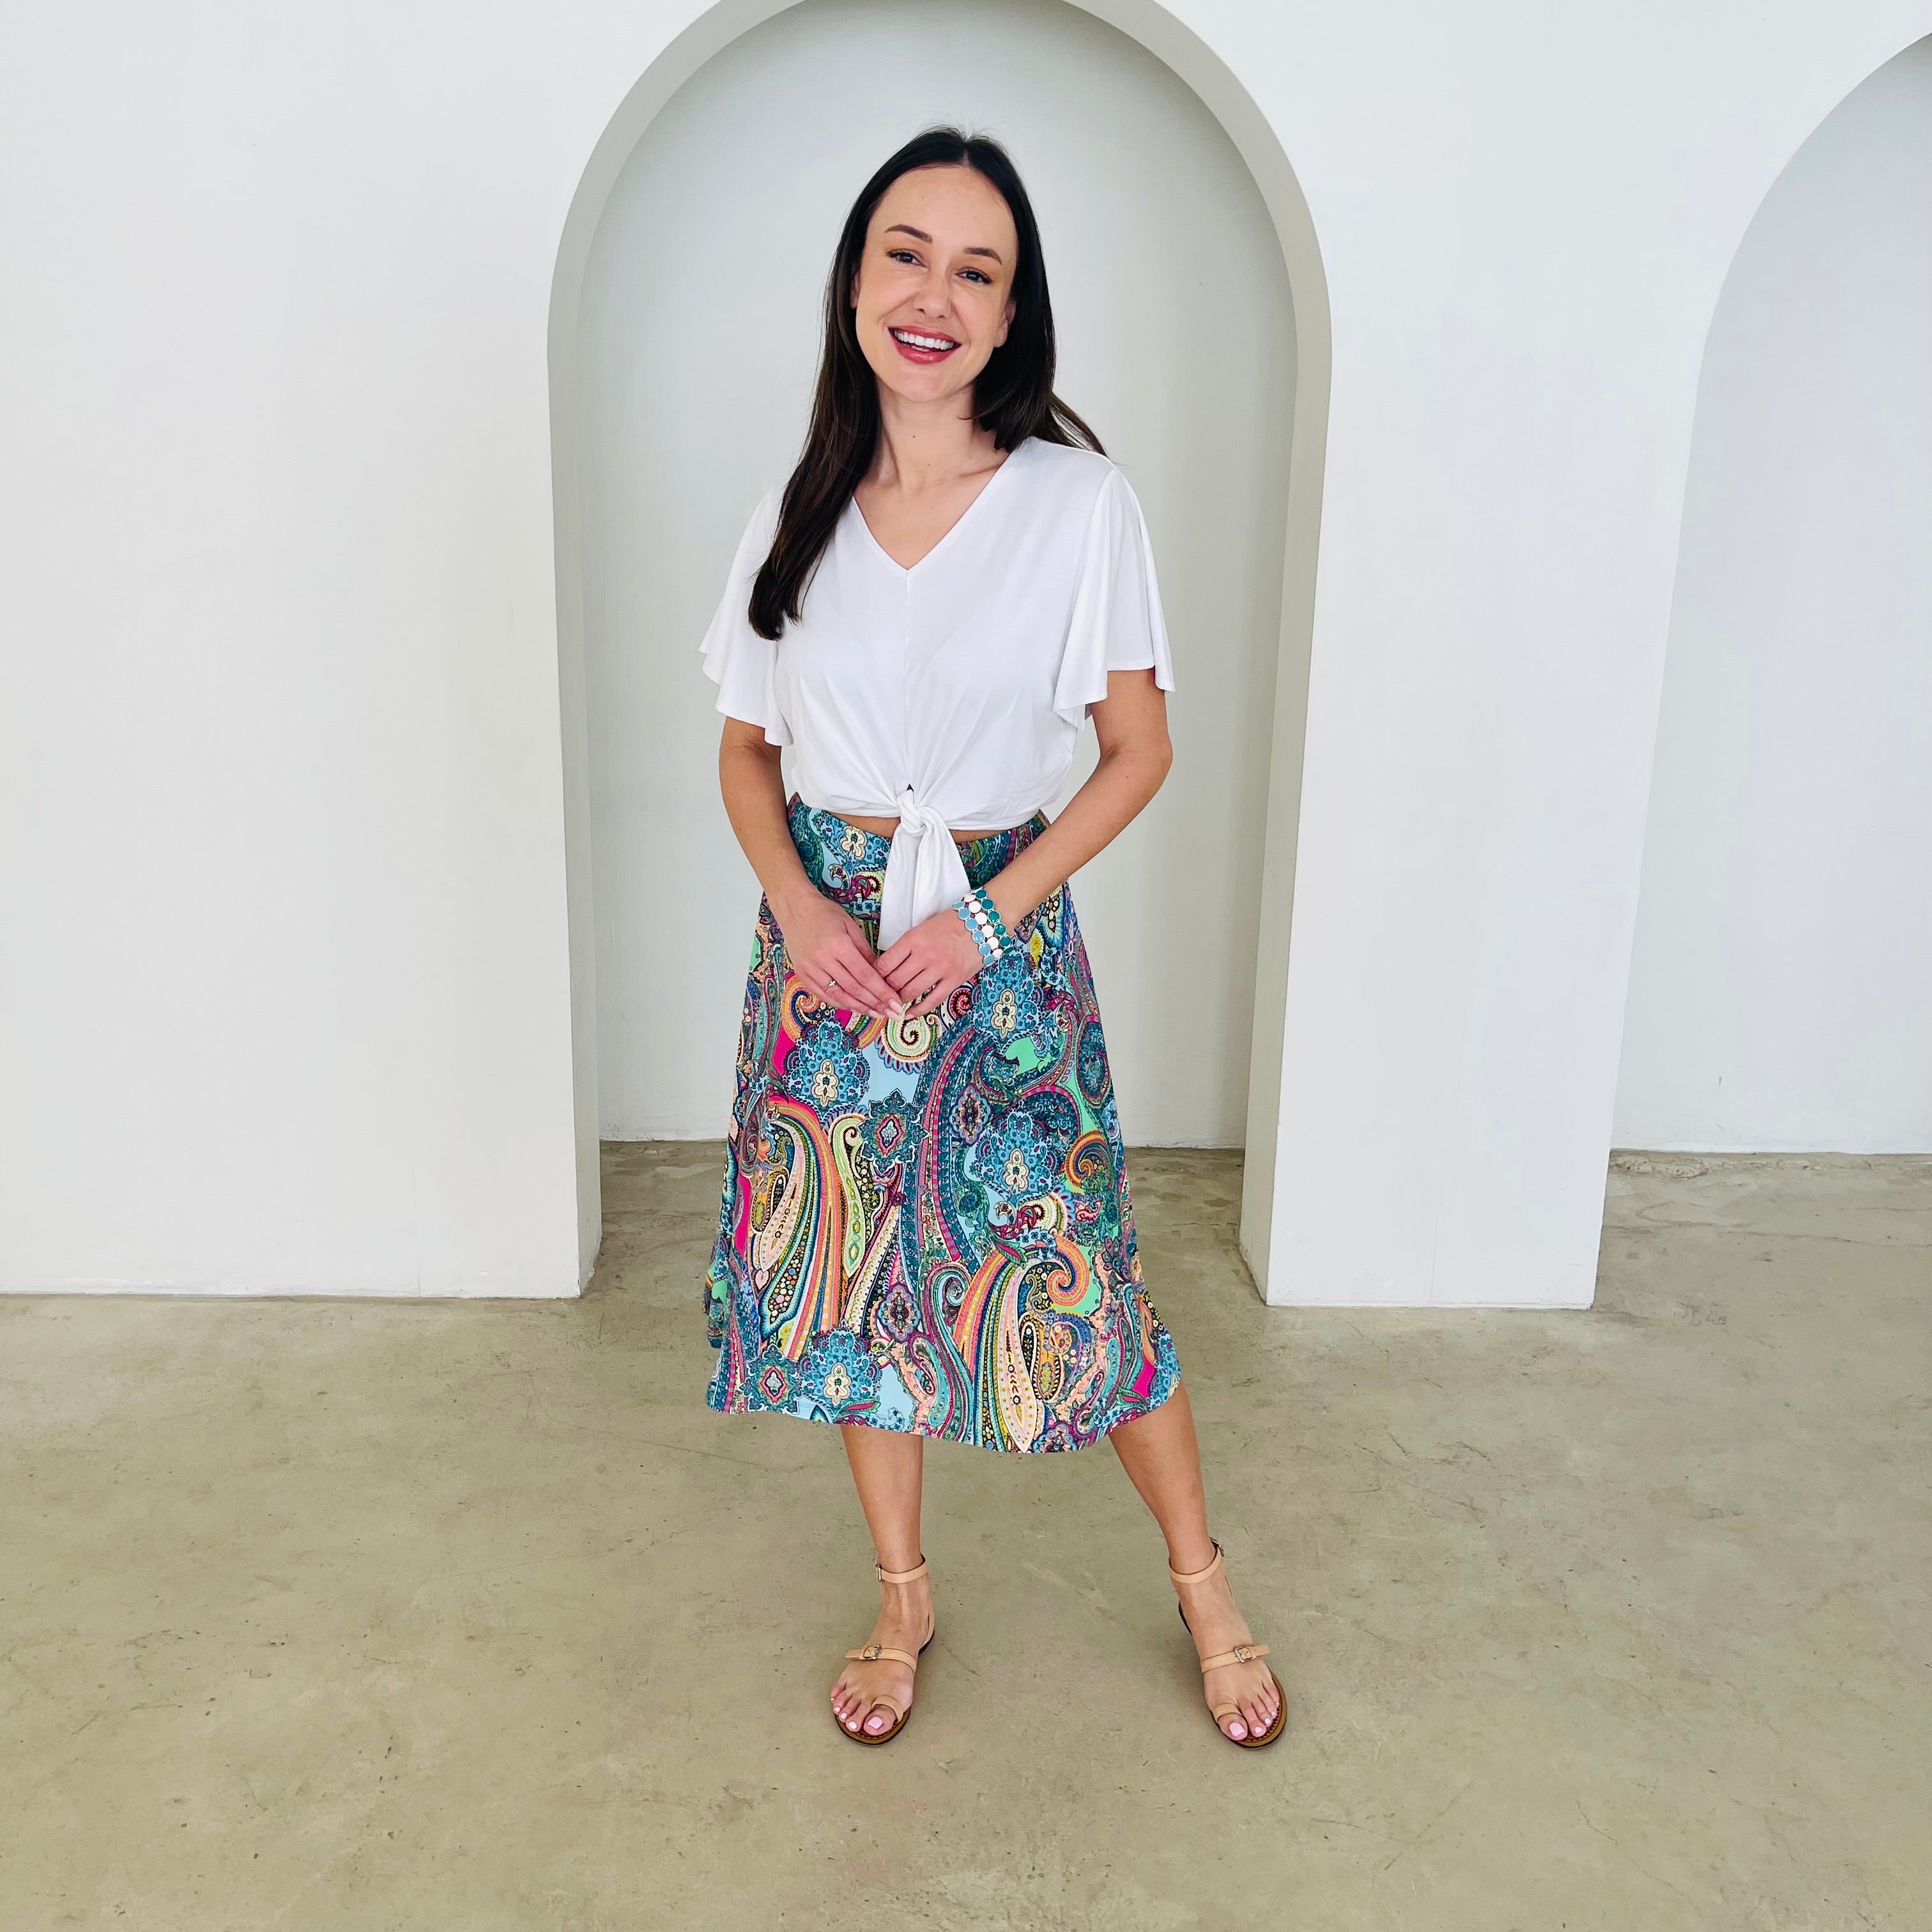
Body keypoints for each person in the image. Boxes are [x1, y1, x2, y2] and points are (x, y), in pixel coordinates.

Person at [698, 126, 1284, 1751]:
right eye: (907, 253)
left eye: (978, 270)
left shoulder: (1078, 507)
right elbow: (744, 751)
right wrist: (799, 906)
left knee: (1077, 1273)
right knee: (854, 1297)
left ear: (1014, 313)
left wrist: (987, 919)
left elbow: (1140, 750)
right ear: (856, 278)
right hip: (826, 962)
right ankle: (902, 1598)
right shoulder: (796, 509)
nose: (934, 295)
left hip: (995, 946)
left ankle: (1204, 1585)